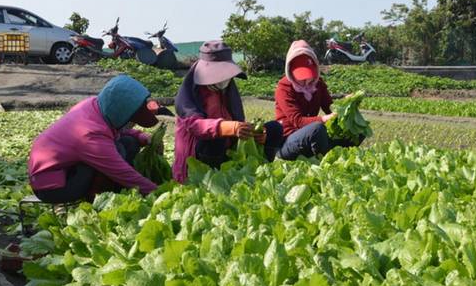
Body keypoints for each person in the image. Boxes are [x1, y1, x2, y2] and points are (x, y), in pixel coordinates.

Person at [28, 74, 169, 203]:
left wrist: (143, 137)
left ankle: (108, 191)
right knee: (118, 151)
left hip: (67, 170)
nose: (131, 122)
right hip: (53, 187)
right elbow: (121, 172)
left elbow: (116, 131)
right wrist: (158, 193)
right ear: (120, 112)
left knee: (129, 142)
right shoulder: (89, 135)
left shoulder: (95, 105)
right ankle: (96, 199)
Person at [173, 40, 283, 183]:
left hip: (227, 152)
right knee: (217, 137)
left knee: (274, 128)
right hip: (198, 159)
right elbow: (195, 125)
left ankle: (261, 170)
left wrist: (252, 134)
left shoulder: (227, 89)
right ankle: (212, 179)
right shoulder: (191, 93)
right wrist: (228, 127)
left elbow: (237, 120)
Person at [275, 40, 364, 160]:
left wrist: (346, 105)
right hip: (288, 140)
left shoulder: (318, 84)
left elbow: (330, 107)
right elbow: (297, 120)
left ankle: (335, 154)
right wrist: (324, 119)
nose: (306, 82)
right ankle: (325, 158)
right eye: (301, 78)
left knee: (358, 130)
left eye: (309, 77)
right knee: (317, 129)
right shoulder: (284, 87)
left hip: (311, 136)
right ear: (290, 71)